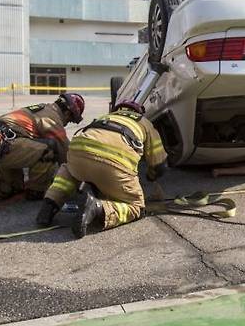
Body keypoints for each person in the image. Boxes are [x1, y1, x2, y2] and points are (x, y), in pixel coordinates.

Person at [36, 100, 168, 238]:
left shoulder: (104, 118)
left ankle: (50, 204)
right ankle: (97, 208)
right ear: (138, 112)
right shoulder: (144, 123)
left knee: (69, 170)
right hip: (114, 162)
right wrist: (150, 177)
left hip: (78, 151)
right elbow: (159, 164)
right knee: (137, 208)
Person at [0, 93, 84, 206]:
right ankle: (36, 190)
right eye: (71, 120)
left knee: (12, 187)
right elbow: (65, 153)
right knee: (49, 148)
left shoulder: (37, 109)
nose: (67, 124)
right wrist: (84, 176)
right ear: (68, 113)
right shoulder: (52, 117)